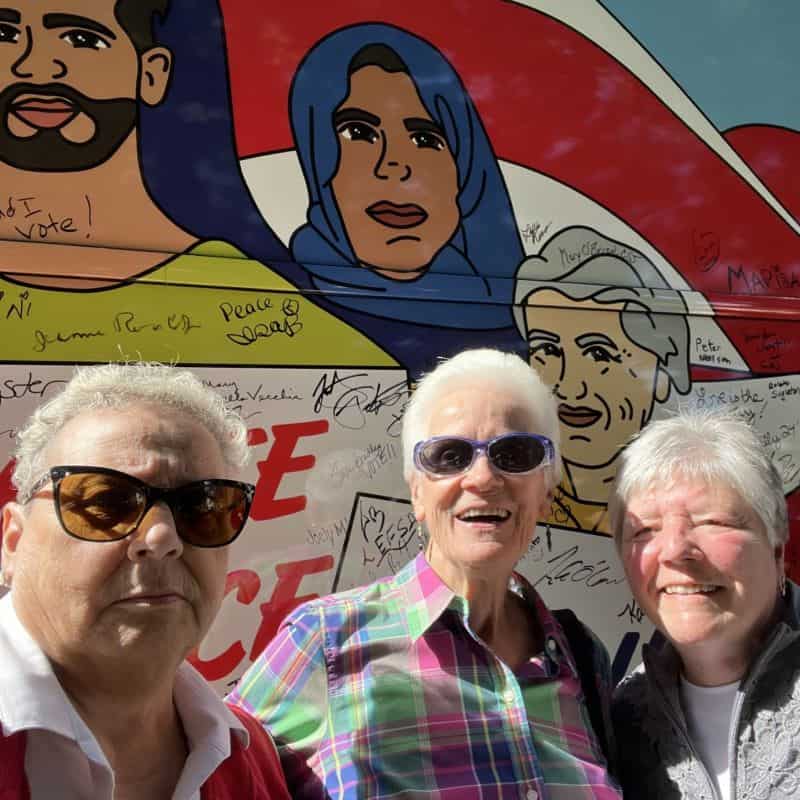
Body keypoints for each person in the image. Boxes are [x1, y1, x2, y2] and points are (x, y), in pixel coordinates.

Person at [229, 348, 621, 799]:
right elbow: (209, 775)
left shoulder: (581, 656)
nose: (482, 478)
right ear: (417, 493)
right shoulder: (327, 642)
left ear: (546, 493)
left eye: (515, 453)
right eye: (450, 456)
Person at [0, 363, 290, 799]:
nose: (161, 538)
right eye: (106, 501)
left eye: (202, 506)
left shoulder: (246, 752)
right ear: (13, 541)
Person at [287, 23, 524, 329]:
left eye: (425, 139)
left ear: (464, 169)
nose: (395, 165)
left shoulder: (528, 321)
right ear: (316, 155)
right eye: (359, 132)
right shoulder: (274, 292)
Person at [610, 410, 795, 800]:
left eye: (712, 522)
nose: (676, 551)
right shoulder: (622, 720)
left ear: (778, 549)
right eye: (644, 530)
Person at [514, 225, 690, 533]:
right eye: (547, 349)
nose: (568, 386)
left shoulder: (687, 514)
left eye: (598, 354)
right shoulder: (509, 503)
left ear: (663, 374)